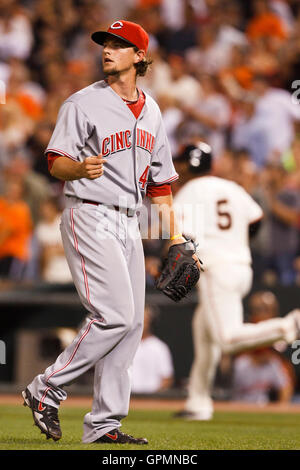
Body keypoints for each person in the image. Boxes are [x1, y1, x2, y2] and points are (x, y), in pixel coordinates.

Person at [22, 19, 199, 445]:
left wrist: (173, 237)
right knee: (115, 315)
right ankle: (47, 386)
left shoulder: (153, 110)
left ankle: (103, 425)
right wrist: (79, 168)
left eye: (119, 45)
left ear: (140, 56)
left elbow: (159, 186)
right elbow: (56, 162)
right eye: (105, 43)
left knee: (132, 324)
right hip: (89, 211)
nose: (107, 50)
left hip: (130, 221)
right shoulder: (81, 103)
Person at [172, 141, 300, 421]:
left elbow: (180, 239)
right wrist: (234, 240)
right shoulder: (230, 187)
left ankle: (291, 325)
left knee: (227, 339)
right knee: (203, 332)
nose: (177, 167)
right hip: (241, 267)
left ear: (184, 166)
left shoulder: (186, 195)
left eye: (179, 162)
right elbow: (256, 218)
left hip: (217, 270)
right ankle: (198, 402)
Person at [232, 291, 295, 404]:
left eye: (268, 310)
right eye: (259, 310)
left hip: (266, 396)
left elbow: (287, 386)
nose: (264, 315)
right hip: (240, 393)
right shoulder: (242, 336)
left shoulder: (282, 338)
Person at [131, 304, 174, 394]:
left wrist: (154, 396)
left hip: (152, 398)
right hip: (128, 398)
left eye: (145, 320)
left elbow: (167, 379)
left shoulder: (159, 347)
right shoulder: (125, 346)